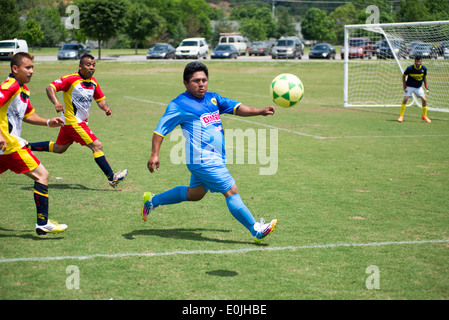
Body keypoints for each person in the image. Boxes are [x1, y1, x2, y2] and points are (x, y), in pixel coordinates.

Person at [141, 62, 277, 243]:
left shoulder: (213, 99)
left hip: (212, 158)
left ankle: (153, 201)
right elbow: (160, 130)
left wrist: (260, 111)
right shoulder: (179, 104)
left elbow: (237, 108)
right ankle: (256, 229)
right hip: (203, 160)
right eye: (196, 81)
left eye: (204, 80)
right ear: (186, 83)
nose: (201, 84)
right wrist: (155, 154)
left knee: (195, 194)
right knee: (231, 190)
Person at [27, 54, 127, 187]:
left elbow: (100, 99)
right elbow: (50, 87)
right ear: (80, 66)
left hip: (73, 123)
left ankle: (25, 146)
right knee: (97, 146)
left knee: (59, 148)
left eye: (93, 65)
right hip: (73, 122)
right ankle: (112, 177)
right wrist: (56, 102)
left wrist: (106, 108)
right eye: (88, 65)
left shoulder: (93, 82)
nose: (91, 67)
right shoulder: (71, 79)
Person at [0, 52, 67, 235]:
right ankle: (42, 223)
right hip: (10, 146)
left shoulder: (23, 89)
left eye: (32, 68)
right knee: (42, 175)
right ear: (15, 69)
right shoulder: (11, 85)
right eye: (27, 68)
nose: (31, 72)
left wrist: (47, 122)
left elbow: (27, 114)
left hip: (5, 147)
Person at [398, 55, 430, 123]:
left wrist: (426, 86)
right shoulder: (410, 68)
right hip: (409, 86)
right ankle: (401, 116)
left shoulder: (424, 69)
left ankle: (424, 116)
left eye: (419, 61)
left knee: (424, 100)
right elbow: (404, 76)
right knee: (405, 99)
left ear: (421, 62)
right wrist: (404, 86)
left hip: (418, 87)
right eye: (417, 61)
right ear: (415, 61)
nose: (418, 63)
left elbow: (424, 77)